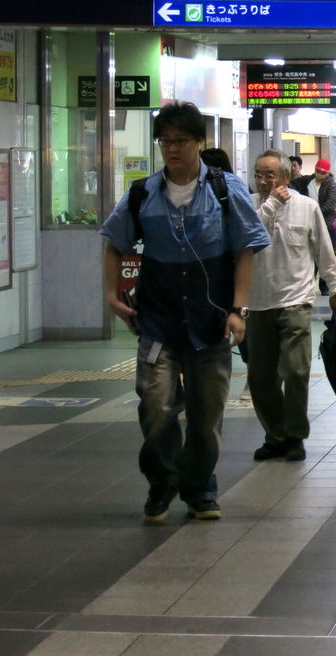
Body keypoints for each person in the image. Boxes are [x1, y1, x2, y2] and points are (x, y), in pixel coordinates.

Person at [101, 101, 269, 522]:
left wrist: (239, 310)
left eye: (180, 141)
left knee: (207, 413)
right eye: (165, 141)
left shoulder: (225, 190)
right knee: (155, 405)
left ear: (199, 142)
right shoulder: (142, 193)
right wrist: (111, 295)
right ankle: (162, 481)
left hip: (210, 319)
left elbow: (246, 249)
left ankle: (199, 488)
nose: (171, 149)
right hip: (157, 318)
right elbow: (114, 242)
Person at [245, 150, 336, 463]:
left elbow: (323, 251)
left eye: (270, 175)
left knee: (297, 370)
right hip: (258, 303)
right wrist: (272, 203)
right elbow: (248, 240)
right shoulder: (247, 206)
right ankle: (275, 436)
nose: (263, 181)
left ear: (287, 177)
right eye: (259, 174)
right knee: (261, 377)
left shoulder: (306, 207)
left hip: (297, 301)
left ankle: (295, 437)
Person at [291, 158, 336, 294]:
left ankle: (325, 286)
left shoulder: (331, 185)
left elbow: (331, 204)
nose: (319, 174)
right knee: (310, 255)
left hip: (327, 224)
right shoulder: (307, 181)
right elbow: (292, 184)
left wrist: (315, 212)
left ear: (327, 173)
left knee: (327, 255)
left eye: (322, 173)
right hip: (308, 223)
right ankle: (308, 284)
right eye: (317, 171)